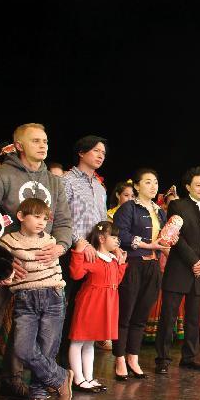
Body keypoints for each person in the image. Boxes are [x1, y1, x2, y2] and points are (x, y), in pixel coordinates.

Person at [0, 123, 72, 400]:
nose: (43, 146)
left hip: (39, 268)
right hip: (5, 262)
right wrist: (3, 258)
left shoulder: (54, 182)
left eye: (46, 141)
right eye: (36, 141)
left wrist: (61, 246)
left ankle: (12, 381)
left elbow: (64, 221)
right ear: (20, 145)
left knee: (24, 328)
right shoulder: (1, 175)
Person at [0, 198, 74, 400]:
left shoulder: (50, 240)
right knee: (23, 348)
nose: (41, 222)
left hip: (53, 294)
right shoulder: (9, 241)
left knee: (47, 348)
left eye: (44, 218)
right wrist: (6, 271)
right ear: (21, 217)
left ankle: (38, 396)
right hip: (25, 298)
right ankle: (61, 377)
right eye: (36, 217)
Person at [155, 167, 200, 374]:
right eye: (198, 185)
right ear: (188, 186)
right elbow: (176, 237)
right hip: (180, 268)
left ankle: (189, 357)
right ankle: (162, 359)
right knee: (169, 316)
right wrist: (194, 261)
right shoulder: (177, 205)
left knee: (193, 317)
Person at [113, 169, 167, 380]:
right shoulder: (128, 208)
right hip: (133, 264)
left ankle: (133, 357)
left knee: (142, 313)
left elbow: (163, 237)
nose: (153, 186)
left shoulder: (160, 211)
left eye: (155, 182)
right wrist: (145, 244)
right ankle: (119, 357)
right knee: (126, 312)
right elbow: (120, 234)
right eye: (147, 182)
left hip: (153, 266)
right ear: (136, 186)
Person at [60, 135, 110, 366]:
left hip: (94, 255)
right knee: (63, 305)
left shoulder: (100, 188)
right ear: (81, 152)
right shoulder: (67, 181)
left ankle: (77, 366)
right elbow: (62, 218)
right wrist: (80, 242)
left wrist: (107, 246)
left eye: (103, 153)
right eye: (96, 151)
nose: (101, 155)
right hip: (72, 251)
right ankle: (57, 363)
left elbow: (102, 223)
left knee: (84, 309)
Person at [67, 221, 127, 393]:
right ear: (102, 238)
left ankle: (89, 377)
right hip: (91, 302)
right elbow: (76, 274)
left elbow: (116, 281)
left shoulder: (113, 259)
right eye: (113, 237)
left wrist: (121, 263)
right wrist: (78, 253)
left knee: (90, 342)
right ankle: (78, 378)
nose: (117, 241)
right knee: (79, 340)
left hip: (106, 302)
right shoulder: (93, 257)